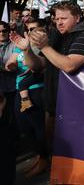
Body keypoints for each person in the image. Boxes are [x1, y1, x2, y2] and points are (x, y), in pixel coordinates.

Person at [13, 1, 84, 175]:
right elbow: (39, 65)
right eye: (56, 18)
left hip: (76, 111)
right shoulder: (58, 37)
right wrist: (27, 50)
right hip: (53, 103)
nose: (59, 22)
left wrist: (44, 46)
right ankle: (47, 164)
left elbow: (69, 65)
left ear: (77, 17)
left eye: (64, 18)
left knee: (73, 158)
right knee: (54, 148)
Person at [6, 17, 48, 178]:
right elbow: (12, 61)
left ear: (43, 30)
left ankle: (44, 159)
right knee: (25, 128)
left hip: (36, 91)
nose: (31, 32)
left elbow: (36, 66)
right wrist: (11, 65)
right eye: (29, 29)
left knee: (38, 127)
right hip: (19, 90)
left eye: (35, 29)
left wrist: (27, 51)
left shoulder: (43, 46)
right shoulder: (21, 44)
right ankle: (39, 155)